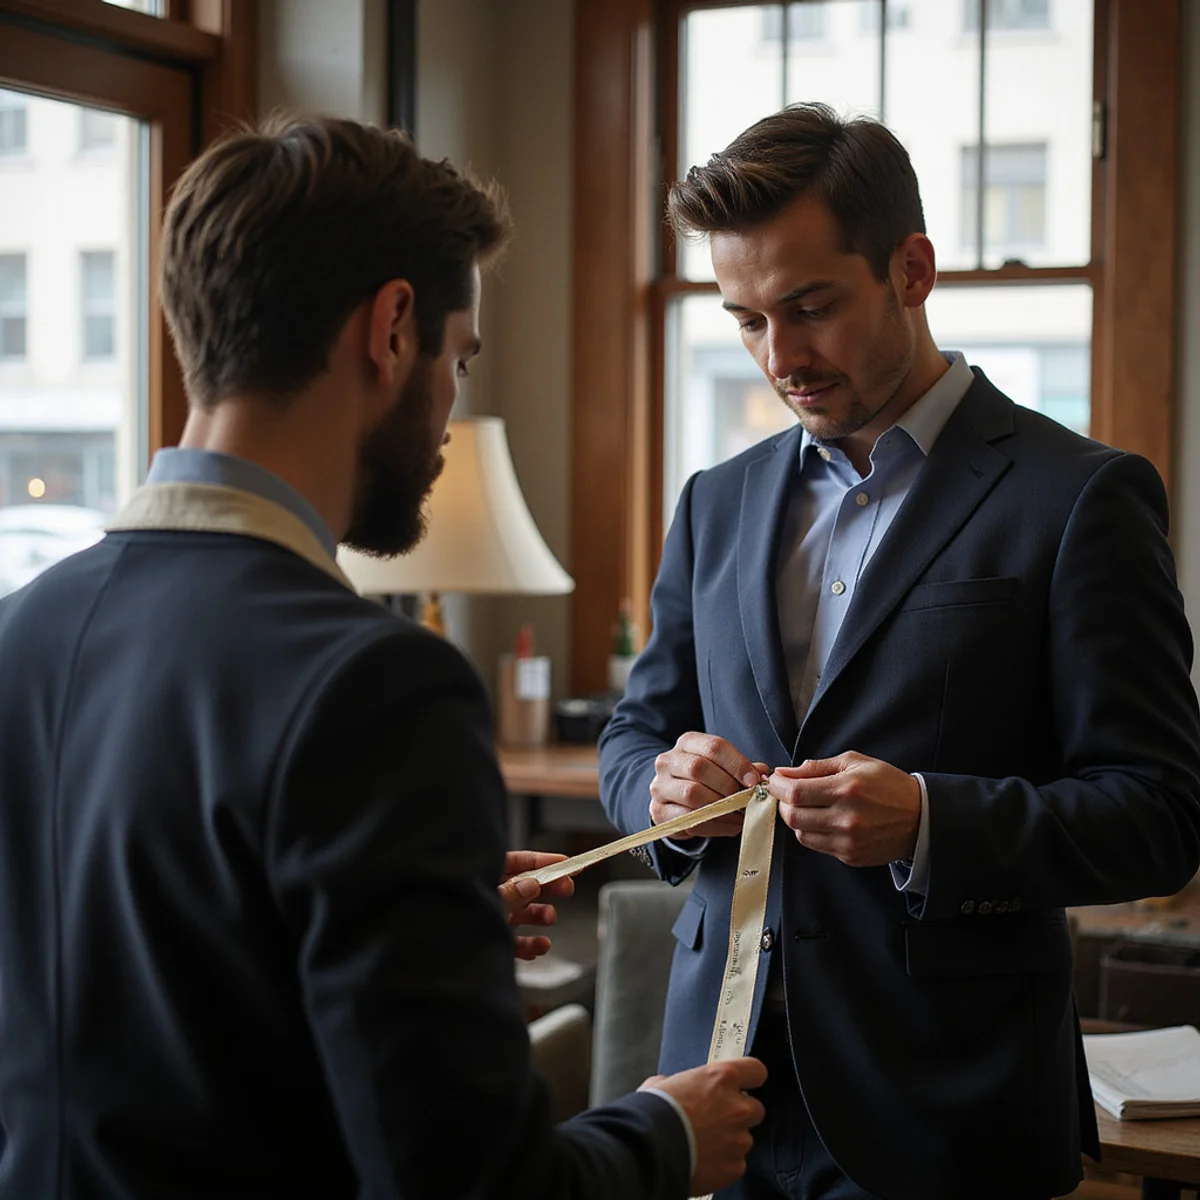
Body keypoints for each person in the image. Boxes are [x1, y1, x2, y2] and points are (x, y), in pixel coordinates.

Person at [0, 114, 768, 1199]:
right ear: (392, 329)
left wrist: (414, 928)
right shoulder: (376, 686)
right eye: (460, 359)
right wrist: (663, 1136)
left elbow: (134, 1000)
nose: (451, 411)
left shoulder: (21, 629)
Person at [599, 102, 1200, 1200]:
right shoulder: (714, 503)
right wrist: (659, 787)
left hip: (946, 1111)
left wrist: (930, 822)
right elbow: (634, 732)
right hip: (710, 1097)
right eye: (744, 321)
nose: (780, 357)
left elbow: (1159, 815)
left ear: (912, 270)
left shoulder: (1080, 499)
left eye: (810, 307)